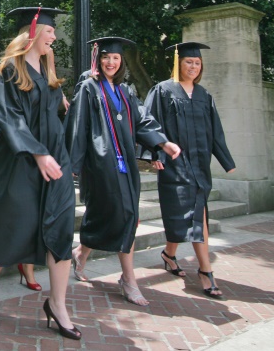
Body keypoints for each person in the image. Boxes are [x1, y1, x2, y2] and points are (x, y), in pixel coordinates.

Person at [0, 6, 80, 341]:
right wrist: (38, 153)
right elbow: (8, 117)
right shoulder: (8, 70)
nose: (54, 37)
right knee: (15, 227)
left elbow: (53, 119)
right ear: (33, 32)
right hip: (23, 160)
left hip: (54, 160)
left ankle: (58, 305)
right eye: (50, 32)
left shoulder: (48, 71)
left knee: (61, 231)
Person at [66, 37, 181, 306]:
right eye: (106, 57)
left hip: (125, 164)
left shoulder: (126, 91)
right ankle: (128, 279)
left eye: (116, 58)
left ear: (121, 62)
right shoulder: (88, 88)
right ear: (98, 59)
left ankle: (82, 253)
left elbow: (143, 120)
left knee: (125, 214)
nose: (110, 62)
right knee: (124, 214)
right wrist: (73, 164)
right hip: (99, 164)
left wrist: (162, 142)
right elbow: (77, 124)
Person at [144, 42, 236, 299]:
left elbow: (215, 130)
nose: (193, 67)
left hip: (199, 164)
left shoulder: (204, 95)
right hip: (175, 164)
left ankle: (178, 258)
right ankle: (200, 268)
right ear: (178, 63)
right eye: (189, 62)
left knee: (197, 214)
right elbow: (150, 124)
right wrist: (155, 154)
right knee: (183, 215)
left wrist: (226, 160)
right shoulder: (163, 90)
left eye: (197, 63)